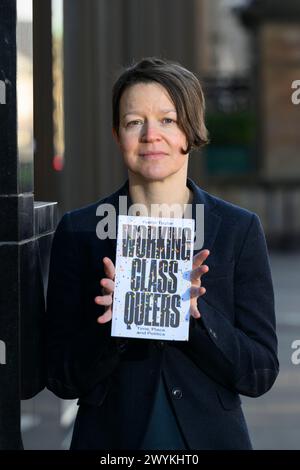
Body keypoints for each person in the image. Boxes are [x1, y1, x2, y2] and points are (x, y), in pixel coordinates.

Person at [46, 57, 279, 450]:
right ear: (118, 134)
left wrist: (199, 318)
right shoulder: (80, 231)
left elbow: (259, 372)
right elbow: (61, 378)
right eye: (134, 121)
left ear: (190, 130)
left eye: (167, 120)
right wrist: (115, 322)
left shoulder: (238, 230)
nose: (151, 135)